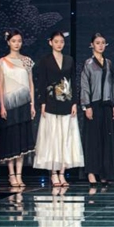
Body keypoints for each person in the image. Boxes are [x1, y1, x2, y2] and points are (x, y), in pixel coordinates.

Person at [34, 31, 84, 186]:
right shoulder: (45, 61)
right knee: (52, 138)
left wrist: (75, 102)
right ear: (50, 42)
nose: (59, 44)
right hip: (50, 102)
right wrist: (42, 103)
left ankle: (62, 172)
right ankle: (53, 173)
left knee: (65, 138)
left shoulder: (69, 59)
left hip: (67, 102)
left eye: (61, 41)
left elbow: (73, 81)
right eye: (56, 41)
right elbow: (42, 82)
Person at [0, 29, 35, 187]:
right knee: (11, 140)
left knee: (21, 140)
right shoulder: (2, 62)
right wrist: (1, 106)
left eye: (19, 41)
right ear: (8, 42)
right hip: (9, 104)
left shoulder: (27, 61)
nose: (17, 44)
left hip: (24, 104)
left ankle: (19, 175)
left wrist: (32, 104)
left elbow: (31, 83)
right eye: (14, 41)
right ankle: (11, 174)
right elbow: (0, 85)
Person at [80, 33, 114, 185]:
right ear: (92, 45)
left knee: (106, 139)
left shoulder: (108, 63)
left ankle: (104, 172)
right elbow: (84, 85)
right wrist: (87, 106)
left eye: (103, 42)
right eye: (97, 43)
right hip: (93, 105)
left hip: (106, 105)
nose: (101, 45)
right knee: (93, 139)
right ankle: (91, 172)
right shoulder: (88, 63)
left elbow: (113, 83)